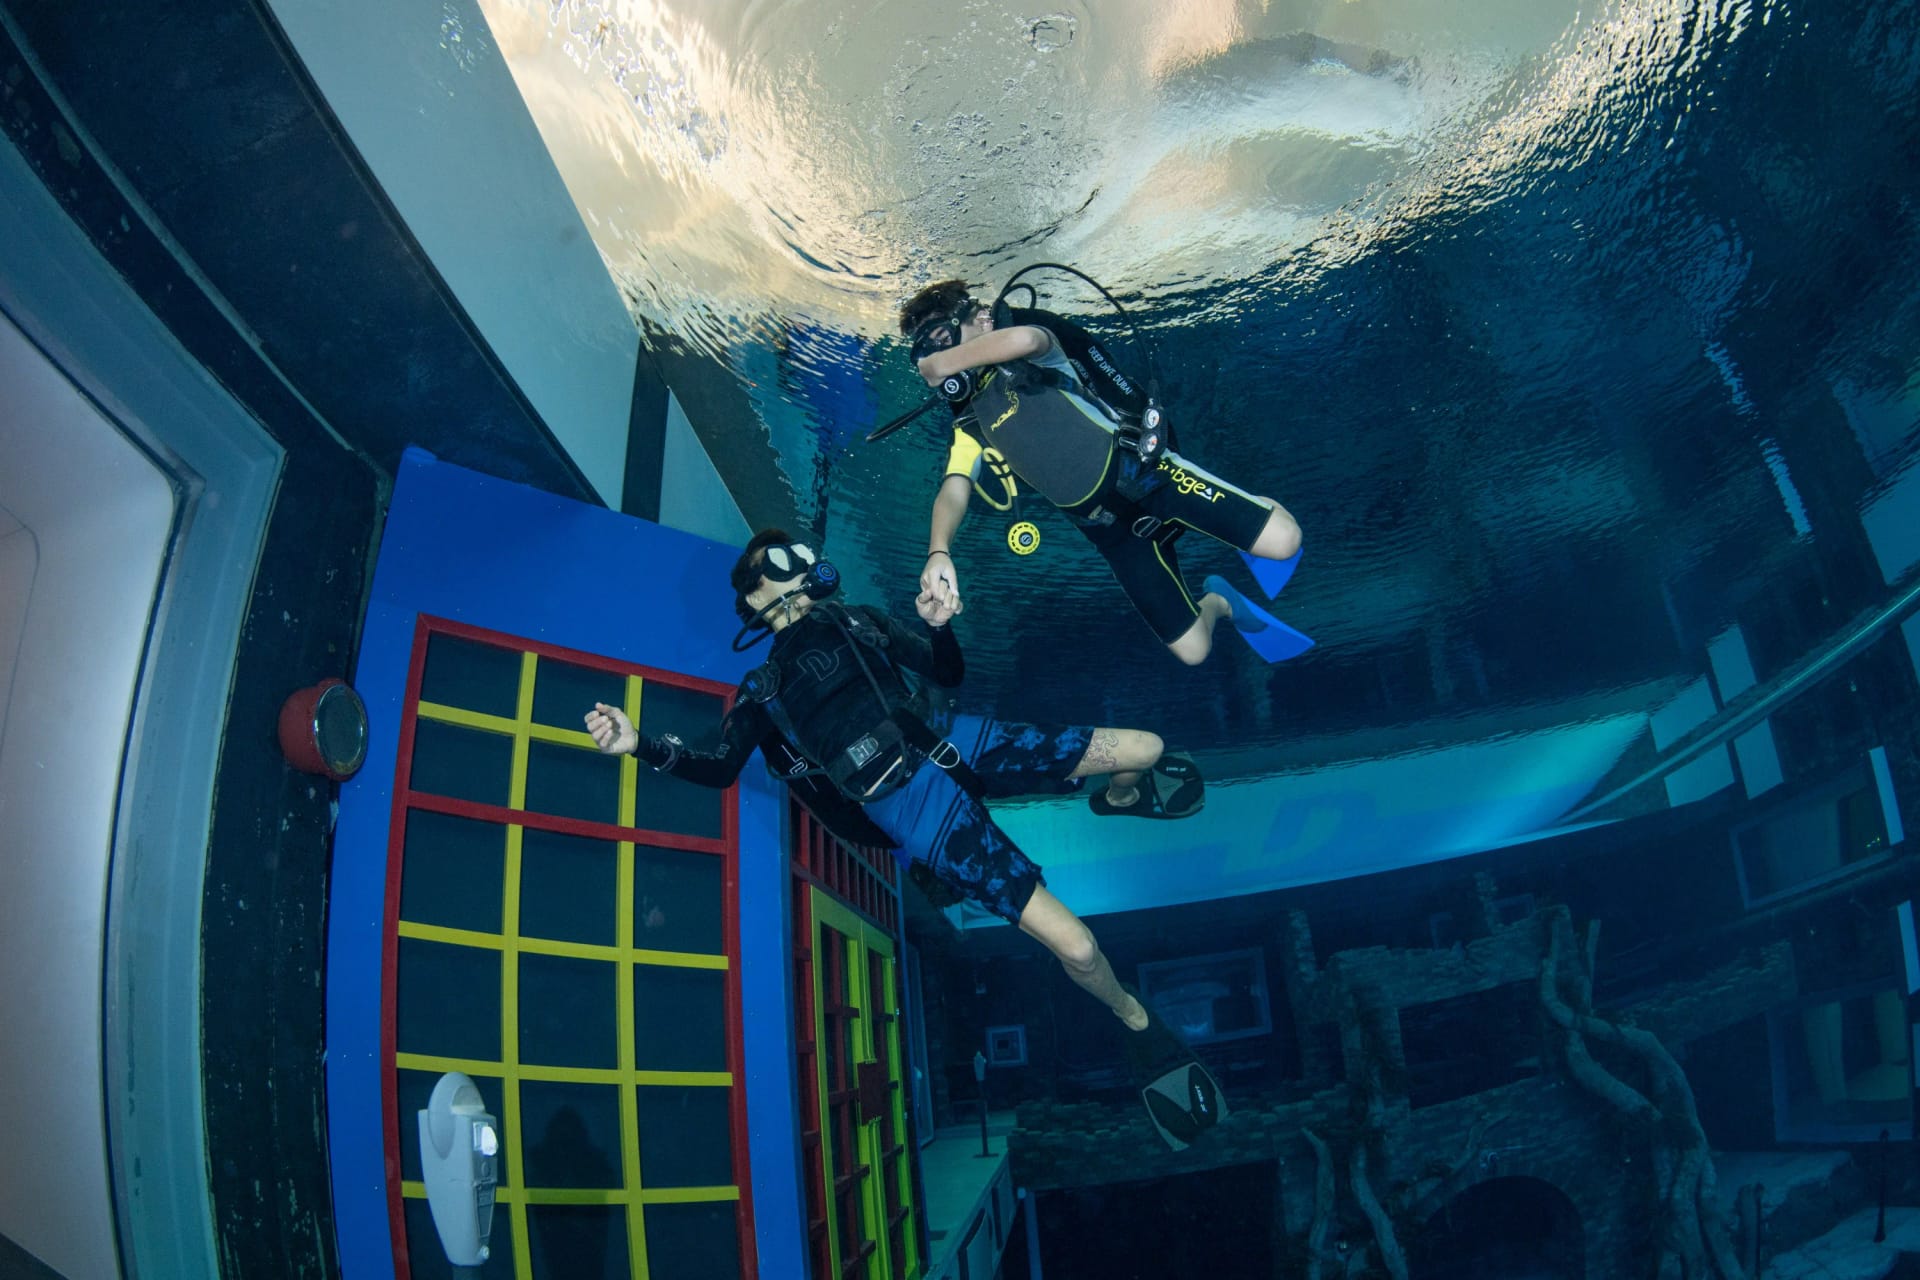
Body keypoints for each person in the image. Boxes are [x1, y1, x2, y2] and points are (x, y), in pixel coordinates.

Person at [583, 529, 1203, 1040]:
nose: (800, 562)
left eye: (800, 553)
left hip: (955, 737)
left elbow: (947, 672)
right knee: (1081, 950)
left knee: (1146, 749)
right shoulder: (763, 689)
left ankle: (1118, 800)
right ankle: (1131, 1015)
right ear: (753, 594)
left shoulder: (859, 620)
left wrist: (939, 625)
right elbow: (719, 766)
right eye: (778, 561)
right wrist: (641, 745)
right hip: (918, 812)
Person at [899, 279, 1307, 666]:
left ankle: (1254, 511)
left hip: (1154, 480)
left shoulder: (1036, 350)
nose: (937, 358)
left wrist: (939, 364)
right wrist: (938, 552)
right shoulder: (973, 416)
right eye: (924, 351)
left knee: (1285, 542)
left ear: (982, 317)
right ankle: (1221, 599)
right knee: (1194, 651)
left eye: (943, 338)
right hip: (1113, 535)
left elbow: (1024, 339)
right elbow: (955, 486)